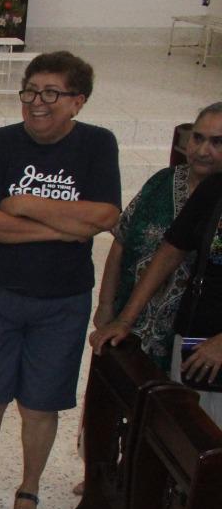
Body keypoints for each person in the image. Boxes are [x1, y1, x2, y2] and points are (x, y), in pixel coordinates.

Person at [0, 52, 120, 509]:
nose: (37, 103)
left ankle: (29, 488)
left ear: (77, 101)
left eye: (51, 93)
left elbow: (103, 218)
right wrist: (63, 228)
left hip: (62, 299)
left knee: (40, 404)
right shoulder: (1, 142)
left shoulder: (97, 144)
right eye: (30, 91)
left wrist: (26, 204)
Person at [91, 114, 222, 424]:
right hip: (191, 339)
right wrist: (123, 319)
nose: (204, 151)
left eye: (217, 142)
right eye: (199, 138)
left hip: (213, 347)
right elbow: (171, 250)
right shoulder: (213, 190)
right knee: (180, 434)